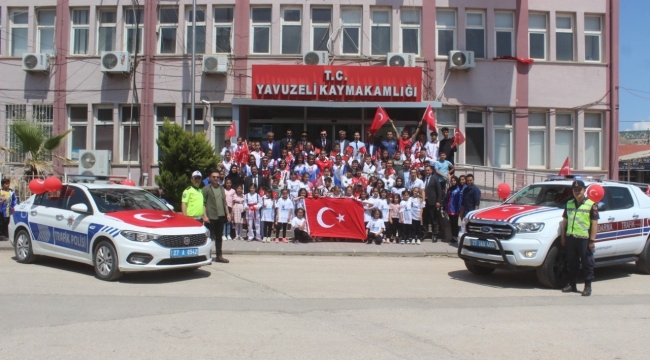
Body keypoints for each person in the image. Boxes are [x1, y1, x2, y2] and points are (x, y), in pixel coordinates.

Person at [561, 180, 599, 296]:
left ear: (584, 190)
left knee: (587, 263)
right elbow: (565, 222)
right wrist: (563, 237)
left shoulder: (591, 204)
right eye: (575, 190)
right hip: (571, 238)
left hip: (584, 239)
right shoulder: (569, 204)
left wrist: (592, 240)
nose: (577, 192)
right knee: (572, 263)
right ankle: (572, 284)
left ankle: (587, 287)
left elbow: (594, 224)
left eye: (579, 190)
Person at [202, 169, 231, 263]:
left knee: (219, 237)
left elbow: (225, 203)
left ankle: (219, 256)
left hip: (221, 216)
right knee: (209, 238)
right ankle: (208, 256)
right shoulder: (206, 189)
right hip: (210, 217)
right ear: (210, 178)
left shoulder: (221, 188)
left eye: (217, 177)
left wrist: (228, 214)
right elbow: (203, 203)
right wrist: (204, 216)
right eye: (214, 177)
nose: (216, 179)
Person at [423, 165, 443, 242]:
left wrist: (438, 201)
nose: (427, 172)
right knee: (425, 219)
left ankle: (434, 235)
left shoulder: (435, 179)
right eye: (426, 170)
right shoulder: (423, 179)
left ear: (431, 171)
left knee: (433, 219)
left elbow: (439, 191)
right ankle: (425, 233)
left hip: (432, 202)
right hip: (424, 202)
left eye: (428, 170)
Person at [445, 176, 462, 244]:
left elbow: (459, 200)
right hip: (450, 209)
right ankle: (453, 237)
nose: (453, 182)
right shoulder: (450, 189)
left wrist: (459, 209)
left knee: (455, 224)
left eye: (454, 180)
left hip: (455, 209)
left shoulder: (458, 189)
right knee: (452, 224)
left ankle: (456, 237)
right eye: (452, 181)